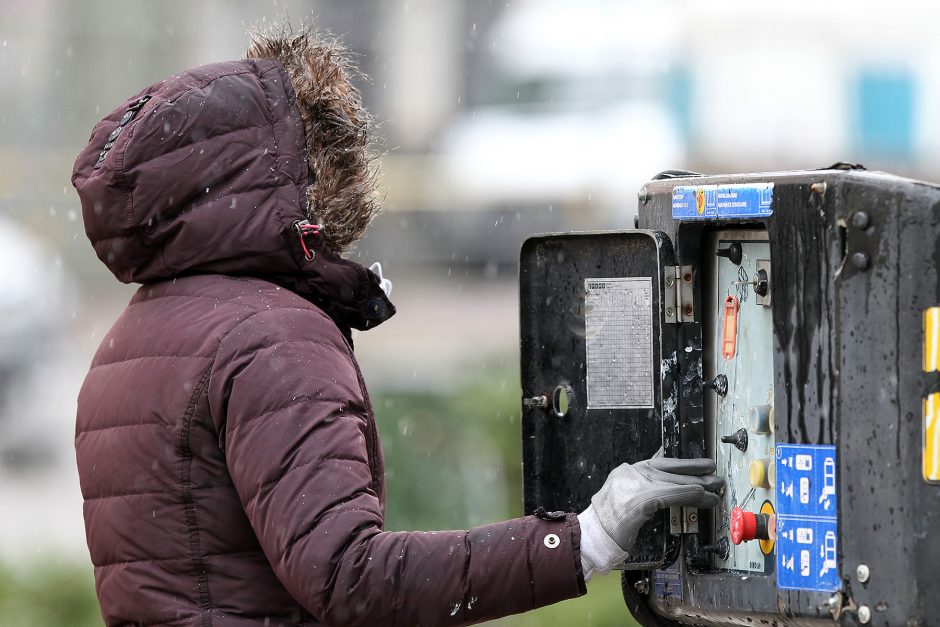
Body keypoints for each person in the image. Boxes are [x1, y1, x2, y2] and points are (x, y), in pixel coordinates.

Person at [72, 27, 723, 626]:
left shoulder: (131, 337)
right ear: (289, 174)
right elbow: (350, 574)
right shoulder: (271, 336)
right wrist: (585, 538)